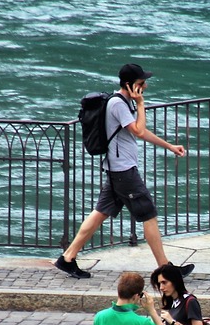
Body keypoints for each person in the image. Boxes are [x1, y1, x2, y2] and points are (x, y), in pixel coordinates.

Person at [54, 63, 194, 280]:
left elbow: (141, 131)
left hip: (117, 169)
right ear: (129, 85)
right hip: (123, 172)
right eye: (140, 83)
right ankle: (166, 271)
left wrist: (169, 146)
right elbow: (138, 131)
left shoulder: (124, 103)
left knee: (100, 213)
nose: (145, 86)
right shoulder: (118, 104)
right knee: (149, 215)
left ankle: (68, 258)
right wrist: (141, 103)